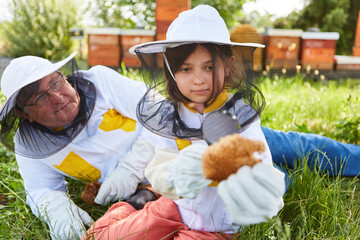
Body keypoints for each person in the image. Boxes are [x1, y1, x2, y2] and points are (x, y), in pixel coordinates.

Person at [82, 5, 286, 239]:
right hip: (174, 207)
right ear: (171, 70)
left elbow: (261, 167)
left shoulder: (241, 115)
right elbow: (158, 167)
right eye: (186, 69)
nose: (198, 80)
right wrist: (176, 175)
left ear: (227, 65)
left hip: (218, 223)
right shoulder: (170, 115)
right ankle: (128, 209)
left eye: (208, 67)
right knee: (100, 237)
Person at [0, 53, 157, 239]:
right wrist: (57, 210)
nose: (57, 97)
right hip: (140, 193)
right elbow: (40, 189)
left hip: (178, 155)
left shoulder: (102, 81)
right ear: (24, 113)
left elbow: (161, 114)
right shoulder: (29, 143)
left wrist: (131, 168)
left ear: (63, 76)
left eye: (55, 82)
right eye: (41, 97)